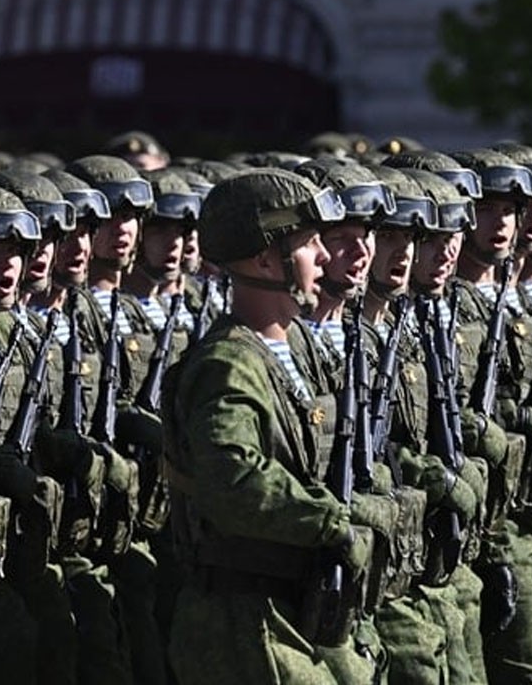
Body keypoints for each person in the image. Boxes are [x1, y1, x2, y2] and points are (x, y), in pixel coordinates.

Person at [162, 168, 376, 684]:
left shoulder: (292, 350)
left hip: (297, 611)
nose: (324, 257)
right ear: (263, 258)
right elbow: (233, 481)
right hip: (246, 625)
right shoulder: (230, 363)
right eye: (308, 245)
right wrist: (331, 521)